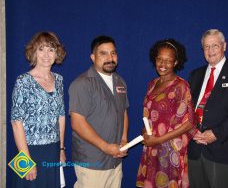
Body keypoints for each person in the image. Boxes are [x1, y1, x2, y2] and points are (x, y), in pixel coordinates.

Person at [188, 29, 228, 188]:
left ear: (224, 46)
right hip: (194, 149)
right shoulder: (195, 75)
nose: (210, 51)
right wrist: (191, 131)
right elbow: (187, 108)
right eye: (206, 47)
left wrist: (216, 133)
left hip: (221, 150)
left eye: (214, 46)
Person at [69, 35, 129, 188]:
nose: (110, 58)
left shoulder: (120, 81)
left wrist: (123, 140)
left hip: (115, 160)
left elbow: (123, 113)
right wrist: (106, 147)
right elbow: (77, 123)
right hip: (92, 162)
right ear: (93, 57)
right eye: (103, 53)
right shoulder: (82, 84)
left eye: (113, 53)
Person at [136, 39, 197, 188]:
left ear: (176, 62)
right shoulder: (152, 84)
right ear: (154, 59)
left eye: (168, 61)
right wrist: (145, 130)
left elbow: (189, 122)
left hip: (170, 152)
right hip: (152, 148)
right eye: (159, 59)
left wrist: (158, 140)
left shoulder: (181, 86)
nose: (163, 65)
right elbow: (149, 114)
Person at [10, 32, 67, 187]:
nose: (46, 54)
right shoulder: (23, 81)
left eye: (51, 49)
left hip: (53, 149)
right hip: (28, 150)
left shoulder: (59, 80)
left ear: (57, 53)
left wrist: (61, 148)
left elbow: (61, 116)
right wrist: (26, 160)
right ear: (34, 52)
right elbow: (16, 122)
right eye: (41, 49)